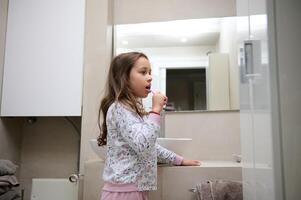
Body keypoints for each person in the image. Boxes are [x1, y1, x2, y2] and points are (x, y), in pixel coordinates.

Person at [97, 52, 201, 200]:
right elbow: (143, 144)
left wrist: (178, 160)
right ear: (124, 78)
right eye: (143, 72)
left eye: (150, 72)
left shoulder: (131, 111)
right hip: (124, 192)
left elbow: (149, 146)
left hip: (133, 189)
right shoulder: (119, 108)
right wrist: (156, 110)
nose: (150, 77)